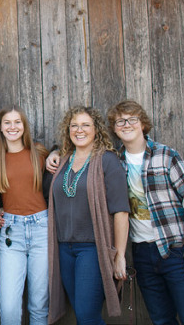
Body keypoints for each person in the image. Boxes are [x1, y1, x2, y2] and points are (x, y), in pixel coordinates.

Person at [107, 100, 184, 325]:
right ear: (115, 128)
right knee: (161, 319)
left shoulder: (165, 155)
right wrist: (55, 152)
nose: (126, 124)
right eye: (120, 121)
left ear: (143, 124)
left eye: (132, 119)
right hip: (142, 253)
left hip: (174, 250)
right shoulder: (115, 162)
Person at [47, 106, 129, 325]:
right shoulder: (62, 161)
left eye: (85, 125)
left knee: (87, 316)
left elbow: (121, 211)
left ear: (96, 130)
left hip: (92, 250)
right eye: (74, 125)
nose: (79, 130)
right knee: (82, 313)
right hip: (64, 249)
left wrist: (119, 255)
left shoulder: (107, 161)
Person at [0, 105, 50, 325]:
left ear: (24, 126)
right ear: (0, 127)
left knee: (39, 305)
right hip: (11, 233)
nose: (12, 127)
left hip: (41, 230)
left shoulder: (39, 153)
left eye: (17, 122)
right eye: (7, 122)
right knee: (9, 308)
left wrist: (55, 152)